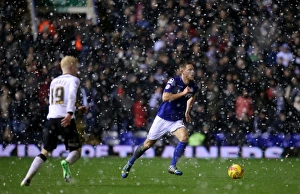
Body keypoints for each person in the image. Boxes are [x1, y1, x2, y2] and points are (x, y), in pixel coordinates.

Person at [121, 61, 199, 178]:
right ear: (182, 71)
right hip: (163, 118)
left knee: (184, 137)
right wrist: (182, 93)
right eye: (189, 69)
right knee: (147, 144)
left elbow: (192, 97)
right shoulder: (174, 81)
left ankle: (172, 165)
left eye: (193, 69)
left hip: (176, 120)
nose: (192, 72)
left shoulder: (194, 86)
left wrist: (187, 111)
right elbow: (165, 97)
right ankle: (130, 163)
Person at [20, 56, 88, 186]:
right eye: (76, 67)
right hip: (65, 119)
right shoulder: (74, 80)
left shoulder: (54, 81)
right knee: (77, 150)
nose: (78, 70)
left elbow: (58, 103)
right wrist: (69, 113)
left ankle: (27, 178)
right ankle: (66, 163)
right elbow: (72, 95)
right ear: (71, 67)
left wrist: (77, 109)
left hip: (51, 119)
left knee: (44, 152)